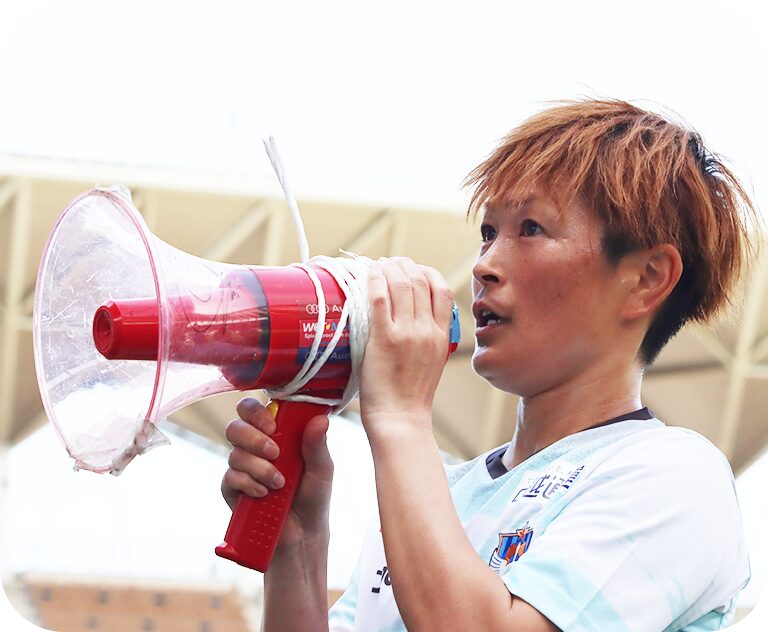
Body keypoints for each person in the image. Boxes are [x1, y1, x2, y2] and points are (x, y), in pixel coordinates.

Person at [221, 99, 757, 631]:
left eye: (531, 229)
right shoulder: (439, 495)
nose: (484, 266)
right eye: (488, 233)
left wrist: (402, 418)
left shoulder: (674, 476)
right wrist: (299, 551)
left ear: (646, 279)